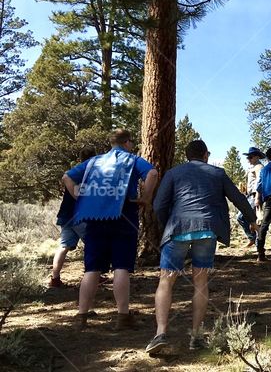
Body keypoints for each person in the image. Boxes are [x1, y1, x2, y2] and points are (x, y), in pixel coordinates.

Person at [145, 139, 258, 354]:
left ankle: (160, 333)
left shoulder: (173, 173)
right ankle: (196, 336)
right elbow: (238, 198)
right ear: (205, 154)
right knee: (200, 281)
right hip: (207, 230)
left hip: (177, 229)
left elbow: (159, 204)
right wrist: (252, 219)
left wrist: (167, 223)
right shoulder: (217, 173)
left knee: (166, 280)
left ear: (187, 156)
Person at [63, 128, 158, 330]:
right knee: (121, 267)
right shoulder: (132, 159)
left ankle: (82, 317)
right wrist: (146, 198)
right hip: (124, 214)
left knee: (92, 268)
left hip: (94, 217)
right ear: (126, 143)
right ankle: (122, 316)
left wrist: (79, 197)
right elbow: (152, 172)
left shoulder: (94, 161)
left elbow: (67, 177)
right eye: (132, 142)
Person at [49, 146, 97, 288]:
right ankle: (93, 274)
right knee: (92, 244)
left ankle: (55, 278)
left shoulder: (76, 171)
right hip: (80, 215)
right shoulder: (89, 173)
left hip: (66, 214)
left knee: (63, 246)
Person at [237, 147, 264, 247]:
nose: (249, 159)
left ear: (257, 156)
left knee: (243, 217)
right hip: (249, 196)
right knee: (251, 220)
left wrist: (257, 197)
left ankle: (256, 242)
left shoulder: (259, 167)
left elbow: (259, 183)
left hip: (254, 196)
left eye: (251, 157)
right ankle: (256, 241)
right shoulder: (253, 168)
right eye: (248, 157)